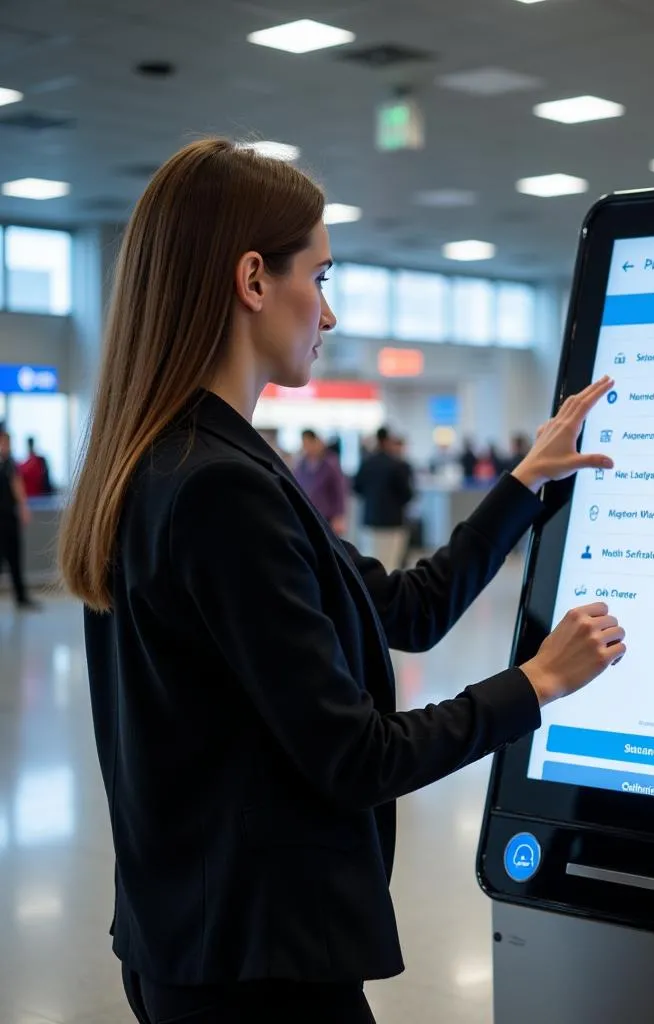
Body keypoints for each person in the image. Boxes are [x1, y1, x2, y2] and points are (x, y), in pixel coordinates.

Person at [56, 138, 624, 1024]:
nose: (329, 312)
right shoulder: (218, 487)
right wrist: (537, 683)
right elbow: (355, 757)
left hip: (196, 944)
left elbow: (404, 606)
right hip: (258, 969)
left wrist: (524, 487)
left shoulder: (179, 458)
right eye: (319, 277)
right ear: (253, 279)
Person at [353, 427, 415, 572]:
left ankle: (370, 593)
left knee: (370, 562)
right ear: (388, 441)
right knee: (390, 564)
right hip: (393, 522)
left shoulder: (366, 463)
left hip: (370, 520)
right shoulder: (397, 465)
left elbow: (356, 488)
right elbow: (407, 494)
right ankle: (387, 594)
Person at [0, 429, 38, 610]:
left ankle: (21, 597)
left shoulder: (11, 464)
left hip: (9, 518)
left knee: (15, 558)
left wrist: (23, 507)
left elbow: (17, 486)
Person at [294, 428, 347, 535]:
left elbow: (339, 490)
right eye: (304, 444)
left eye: (309, 443)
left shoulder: (330, 463)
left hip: (327, 516)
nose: (307, 447)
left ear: (316, 442)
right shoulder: (301, 464)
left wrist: (339, 516)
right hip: (307, 514)